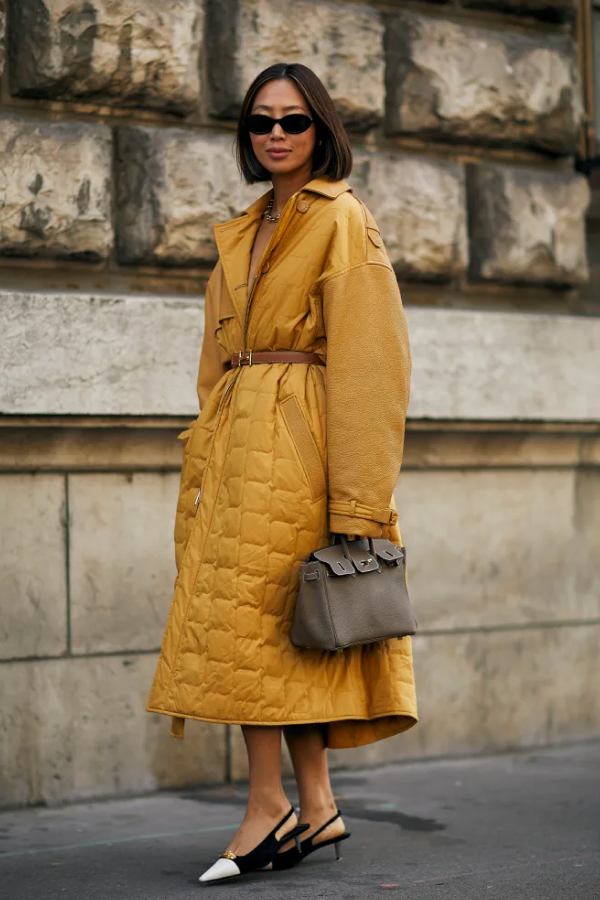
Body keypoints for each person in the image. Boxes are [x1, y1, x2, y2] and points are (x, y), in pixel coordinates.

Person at [147, 61, 417, 884]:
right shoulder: (247, 225)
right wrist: (208, 445)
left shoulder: (344, 221)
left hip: (299, 451)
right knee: (284, 636)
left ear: (321, 130)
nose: (275, 134)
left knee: (253, 635)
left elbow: (374, 366)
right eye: (261, 121)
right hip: (237, 448)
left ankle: (268, 807)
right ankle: (317, 800)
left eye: (294, 121)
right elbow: (215, 361)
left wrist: (360, 498)